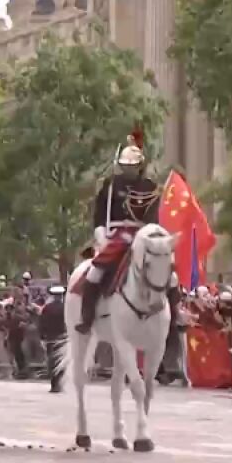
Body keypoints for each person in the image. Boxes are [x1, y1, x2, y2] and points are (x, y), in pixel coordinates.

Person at [76, 126, 164, 335]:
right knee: (95, 272)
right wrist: (100, 236)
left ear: (140, 166)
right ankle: (86, 317)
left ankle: (174, 318)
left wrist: (152, 237)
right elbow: (99, 216)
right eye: (125, 166)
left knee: (168, 273)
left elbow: (153, 219)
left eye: (132, 166)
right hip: (116, 235)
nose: (128, 170)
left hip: (143, 235)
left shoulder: (150, 187)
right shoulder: (110, 185)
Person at [39, 285, 67, 392]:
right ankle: (60, 383)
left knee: (52, 361)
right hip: (62, 339)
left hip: (50, 339)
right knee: (61, 362)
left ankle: (53, 384)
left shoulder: (47, 308)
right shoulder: (65, 307)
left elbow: (41, 323)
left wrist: (42, 337)